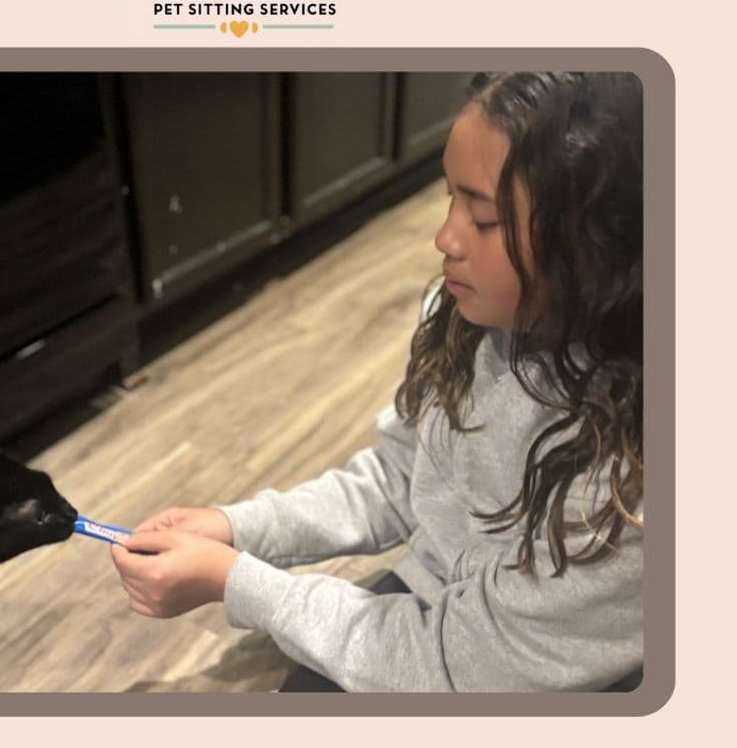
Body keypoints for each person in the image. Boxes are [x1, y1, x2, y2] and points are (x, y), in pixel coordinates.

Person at [110, 72, 644, 692]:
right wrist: (240, 530)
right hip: (457, 617)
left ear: (601, 242)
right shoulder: (474, 322)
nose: (445, 237)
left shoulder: (635, 484)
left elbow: (462, 668)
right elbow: (405, 477)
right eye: (450, 199)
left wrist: (239, 583)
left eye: (484, 218)